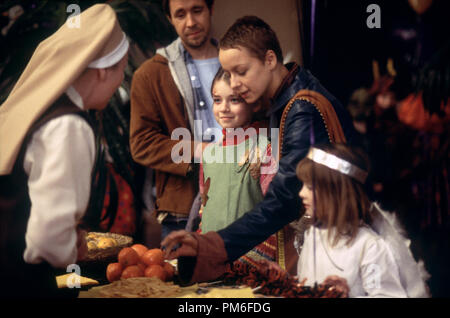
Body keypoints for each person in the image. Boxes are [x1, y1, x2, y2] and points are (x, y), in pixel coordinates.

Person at [161, 16, 358, 283]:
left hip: (339, 247)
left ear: (269, 60)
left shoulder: (302, 109)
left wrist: (214, 245)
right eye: (228, 74)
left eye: (241, 71)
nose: (235, 83)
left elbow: (285, 200)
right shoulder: (284, 100)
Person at [0, 4, 129, 298]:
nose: (121, 81)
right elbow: (49, 239)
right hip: (25, 284)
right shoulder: (69, 127)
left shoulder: (42, 112)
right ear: (103, 71)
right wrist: (73, 247)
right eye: (121, 70)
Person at [130, 0, 221, 241]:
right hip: (183, 208)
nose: (190, 22)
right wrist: (197, 150)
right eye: (180, 15)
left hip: (241, 200)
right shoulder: (150, 74)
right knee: (184, 277)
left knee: (246, 277)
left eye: (197, 10)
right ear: (170, 19)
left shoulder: (235, 61)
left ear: (211, 9)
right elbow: (142, 144)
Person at [296, 144, 429, 297]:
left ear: (337, 194)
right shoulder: (312, 235)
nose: (301, 193)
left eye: (311, 187)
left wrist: (346, 295)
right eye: (303, 185)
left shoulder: (369, 246)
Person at [198, 67, 277, 267]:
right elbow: (205, 210)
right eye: (217, 100)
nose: (223, 108)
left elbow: (276, 210)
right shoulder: (209, 154)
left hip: (252, 263)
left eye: (234, 100)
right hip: (210, 261)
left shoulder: (264, 149)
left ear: (254, 103)